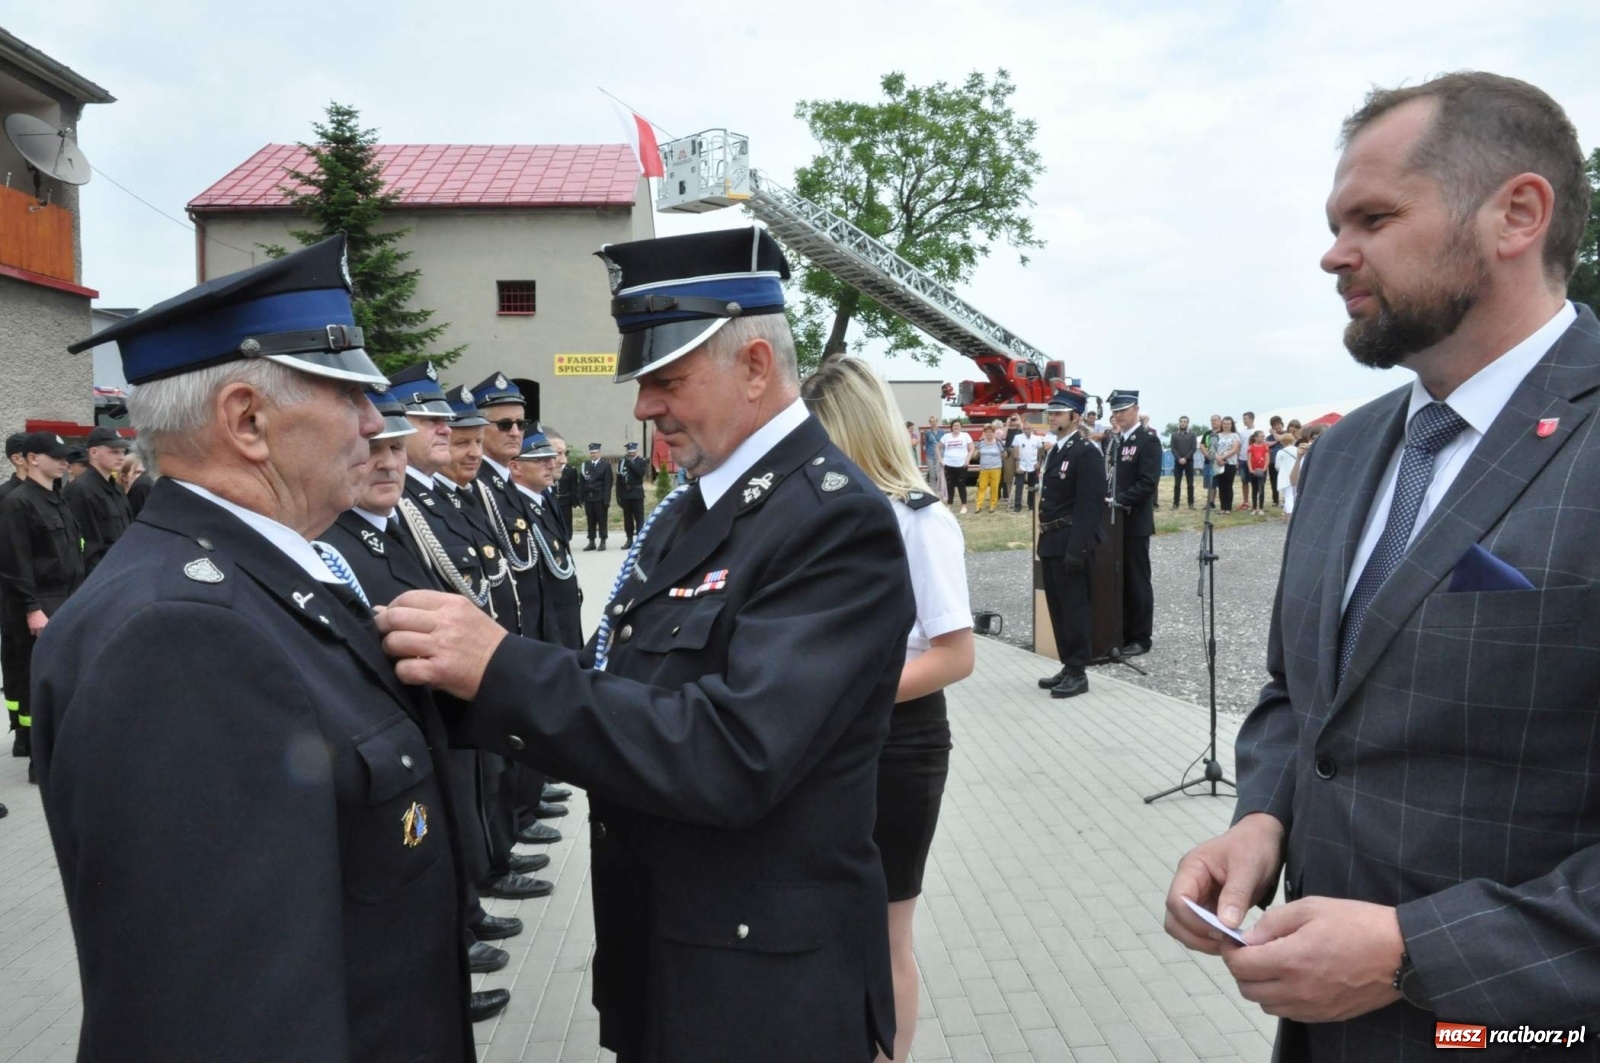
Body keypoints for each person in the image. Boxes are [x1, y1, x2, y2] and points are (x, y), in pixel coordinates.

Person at [376, 226, 915, 1062]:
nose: (643, 406)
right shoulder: (696, 507)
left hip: (761, 996)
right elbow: (611, 679)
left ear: (756, 365)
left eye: (667, 379)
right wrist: (441, 685)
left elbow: (734, 751)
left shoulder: (832, 520)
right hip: (670, 960)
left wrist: (502, 667)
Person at [1164, 71, 1600, 1060]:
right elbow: (1299, 697)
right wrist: (1262, 819)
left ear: (1517, 214)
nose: (1333, 253)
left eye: (1373, 218)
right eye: (1334, 223)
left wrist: (1415, 951)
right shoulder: (1346, 453)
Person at [37, 236, 477, 1059]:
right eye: (350, 393)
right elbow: (225, 1011)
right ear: (247, 420)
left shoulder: (264, 577)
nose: (376, 422)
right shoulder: (179, 635)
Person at [310, 387, 526, 987]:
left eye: (396, 450)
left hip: (434, 722)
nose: (388, 464)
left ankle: (461, 927)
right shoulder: (334, 544)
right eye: (373, 450)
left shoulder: (397, 525)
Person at [800, 357, 974, 1063]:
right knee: (828, 923)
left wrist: (846, 692)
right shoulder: (820, 515)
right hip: (825, 739)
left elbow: (955, 655)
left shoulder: (918, 521)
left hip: (898, 743)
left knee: (886, 932)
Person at [0, 431, 85, 781]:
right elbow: (15, 562)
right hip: (41, 607)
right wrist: (32, 608)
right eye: (57, 456)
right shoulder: (18, 503)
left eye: (66, 457)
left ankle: (60, 752)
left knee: (64, 680)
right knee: (40, 682)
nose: (65, 462)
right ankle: (40, 761)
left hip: (66, 601)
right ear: (33, 459)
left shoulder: (57, 498)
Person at [1034, 389, 1107, 698]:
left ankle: (1079, 671)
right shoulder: (1057, 451)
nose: (1052, 417)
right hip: (1052, 539)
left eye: (1058, 413)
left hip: (1071, 540)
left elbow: (1090, 505)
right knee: (1058, 608)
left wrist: (1078, 548)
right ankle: (1068, 663)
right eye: (1051, 413)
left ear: (1075, 417)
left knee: (1075, 607)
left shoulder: (1086, 452)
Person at [1105, 390, 1161, 657]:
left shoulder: (1148, 441)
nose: (1118, 415)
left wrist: (1119, 500)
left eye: (1122, 410)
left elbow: (1148, 483)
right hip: (1114, 522)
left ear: (1136, 409)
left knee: (1137, 580)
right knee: (1120, 579)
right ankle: (1122, 631)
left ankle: (1140, 637)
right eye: (1115, 412)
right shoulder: (1116, 441)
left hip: (1134, 521)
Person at [62, 426, 133, 575]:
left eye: (122, 451)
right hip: (100, 575)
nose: (121, 457)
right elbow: (85, 546)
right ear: (94, 453)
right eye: (113, 452)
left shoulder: (117, 489)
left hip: (122, 569)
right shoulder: (80, 490)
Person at [578, 441, 614, 550]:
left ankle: (603, 540)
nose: (593, 454)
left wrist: (606, 500)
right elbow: (582, 482)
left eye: (595, 452)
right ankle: (591, 541)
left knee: (601, 520)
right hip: (588, 498)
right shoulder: (586, 465)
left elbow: (608, 484)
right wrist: (581, 497)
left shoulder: (605, 466)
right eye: (591, 453)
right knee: (590, 520)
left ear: (599, 453)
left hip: (600, 497)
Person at [616, 440, 650, 547]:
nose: (631, 453)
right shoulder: (622, 462)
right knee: (627, 519)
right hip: (625, 494)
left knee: (639, 518)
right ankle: (629, 539)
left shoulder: (641, 461)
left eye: (633, 451)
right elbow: (619, 479)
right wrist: (618, 495)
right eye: (629, 452)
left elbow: (640, 474)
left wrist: (631, 464)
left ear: (636, 451)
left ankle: (640, 540)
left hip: (636, 494)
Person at [937, 419, 970, 512]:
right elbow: (937, 447)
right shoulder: (946, 436)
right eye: (954, 425)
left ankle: (964, 505)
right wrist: (940, 459)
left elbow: (972, 448)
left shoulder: (965, 436)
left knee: (961, 485)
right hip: (949, 464)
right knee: (950, 485)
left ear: (961, 427)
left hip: (962, 465)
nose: (956, 427)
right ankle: (949, 504)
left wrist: (967, 459)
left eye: (958, 425)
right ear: (951, 427)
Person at [1212, 416, 1241, 511]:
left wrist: (1223, 457)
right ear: (1222, 424)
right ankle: (1222, 507)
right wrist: (1218, 458)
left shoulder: (1235, 435)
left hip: (1230, 463)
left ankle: (1228, 508)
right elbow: (1213, 449)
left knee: (1228, 486)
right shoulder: (1216, 435)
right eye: (1224, 423)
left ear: (1231, 425)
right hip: (1218, 463)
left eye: (1228, 424)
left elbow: (1234, 449)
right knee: (1221, 486)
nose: (1226, 425)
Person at [972, 423, 1004, 513]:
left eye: (991, 432)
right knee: (982, 487)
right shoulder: (981, 443)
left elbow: (1003, 454)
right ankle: (978, 505)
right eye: (987, 432)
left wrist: (998, 461)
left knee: (994, 487)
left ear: (994, 433)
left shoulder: (998, 442)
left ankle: (992, 505)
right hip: (984, 468)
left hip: (996, 468)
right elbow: (975, 454)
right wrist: (976, 453)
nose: (989, 434)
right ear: (984, 433)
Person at [1272, 422, 1300, 519]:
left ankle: (1289, 514)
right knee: (1295, 495)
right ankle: (1295, 514)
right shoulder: (1297, 450)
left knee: (1288, 496)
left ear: (1283, 442)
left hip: (1285, 476)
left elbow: (1277, 466)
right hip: (1297, 475)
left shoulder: (1281, 452)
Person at [1011, 422, 1042, 512]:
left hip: (1033, 464)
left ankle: (1031, 505)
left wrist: (1039, 462)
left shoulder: (1037, 439)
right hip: (1021, 465)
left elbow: (1040, 451)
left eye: (1028, 429)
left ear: (1031, 429)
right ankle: (1017, 506)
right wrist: (1017, 466)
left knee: (1032, 486)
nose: (1026, 430)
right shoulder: (1017, 438)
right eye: (1024, 429)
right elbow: (1015, 453)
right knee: (1019, 486)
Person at [1168, 415, 1197, 508]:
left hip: (1189, 461)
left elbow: (1194, 448)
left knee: (1190, 483)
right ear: (1179, 423)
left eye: (1185, 421)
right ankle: (1175, 503)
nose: (1183, 423)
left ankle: (1191, 503)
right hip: (1178, 462)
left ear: (1188, 423)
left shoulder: (1192, 434)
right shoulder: (1174, 435)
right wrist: (1179, 458)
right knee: (1177, 484)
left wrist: (1186, 458)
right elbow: (1173, 448)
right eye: (1181, 421)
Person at [1245, 430, 1269, 513]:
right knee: (1254, 489)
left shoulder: (1265, 446)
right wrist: (1250, 469)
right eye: (1261, 436)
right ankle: (1254, 508)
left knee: (1261, 488)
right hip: (1253, 471)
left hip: (1262, 470)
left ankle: (1261, 508)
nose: (1263, 438)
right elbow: (1249, 459)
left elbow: (1267, 459)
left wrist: (1264, 469)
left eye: (1263, 436)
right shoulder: (1251, 447)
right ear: (1256, 437)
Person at [1265, 415, 1286, 505]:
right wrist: (1276, 441)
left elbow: (1281, 439)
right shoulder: (1269, 437)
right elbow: (1266, 444)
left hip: (1284, 462)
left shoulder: (1286, 434)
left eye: (1278, 424)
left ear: (1282, 424)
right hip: (1272, 462)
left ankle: (1285, 499)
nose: (1277, 427)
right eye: (1274, 425)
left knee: (1285, 481)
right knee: (1274, 481)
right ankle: (1275, 500)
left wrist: (1274, 434)